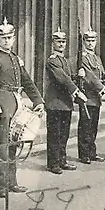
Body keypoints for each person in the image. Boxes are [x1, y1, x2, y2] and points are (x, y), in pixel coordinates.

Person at [0, 18, 44, 197]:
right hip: (2, 103)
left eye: (9, 37)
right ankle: (0, 185)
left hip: (16, 103)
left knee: (14, 141)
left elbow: (27, 82)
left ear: (14, 38)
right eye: (3, 38)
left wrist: (38, 100)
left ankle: (11, 182)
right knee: (1, 144)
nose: (6, 41)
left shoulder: (16, 58)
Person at [44, 29, 88, 174]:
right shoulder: (52, 61)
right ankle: (53, 163)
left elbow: (69, 77)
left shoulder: (65, 60)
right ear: (53, 43)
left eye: (63, 42)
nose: (61, 44)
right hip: (55, 102)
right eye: (58, 41)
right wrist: (76, 90)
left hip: (65, 104)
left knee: (64, 134)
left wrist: (78, 75)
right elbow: (62, 78)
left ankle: (62, 160)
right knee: (54, 135)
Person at [77, 29, 105, 164]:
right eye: (88, 40)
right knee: (85, 126)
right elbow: (90, 77)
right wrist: (104, 89)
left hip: (96, 98)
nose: (90, 43)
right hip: (87, 97)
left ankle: (92, 152)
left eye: (93, 41)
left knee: (93, 126)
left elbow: (100, 75)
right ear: (84, 42)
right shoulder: (83, 57)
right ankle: (84, 154)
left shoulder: (97, 58)